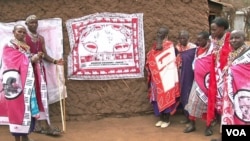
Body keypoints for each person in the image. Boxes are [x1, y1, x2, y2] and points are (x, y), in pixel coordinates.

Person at [24, 14, 64, 136]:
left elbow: (44, 54)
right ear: (27, 24)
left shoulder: (40, 38)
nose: (34, 25)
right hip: (29, 70)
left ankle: (44, 123)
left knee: (42, 94)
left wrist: (55, 61)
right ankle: (34, 123)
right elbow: (21, 55)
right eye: (31, 23)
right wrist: (33, 58)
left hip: (39, 70)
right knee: (31, 95)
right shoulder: (24, 37)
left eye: (36, 22)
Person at [2, 24, 42, 141]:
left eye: (24, 32)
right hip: (15, 83)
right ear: (13, 32)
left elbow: (26, 60)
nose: (22, 34)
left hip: (27, 81)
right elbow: (11, 62)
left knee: (27, 107)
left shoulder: (26, 47)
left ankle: (25, 136)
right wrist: (31, 59)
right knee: (16, 109)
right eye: (19, 31)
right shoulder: (9, 46)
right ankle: (17, 139)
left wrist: (35, 58)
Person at [146, 26, 180, 128]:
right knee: (156, 98)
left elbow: (173, 61)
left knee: (166, 97)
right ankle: (161, 118)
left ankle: (167, 119)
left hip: (167, 78)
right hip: (156, 78)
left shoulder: (170, 47)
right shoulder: (154, 47)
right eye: (158, 33)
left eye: (161, 33)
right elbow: (150, 57)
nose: (158, 35)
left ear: (166, 35)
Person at [183, 31, 214, 136]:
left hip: (208, 83)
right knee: (192, 102)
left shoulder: (213, 51)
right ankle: (192, 124)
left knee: (207, 104)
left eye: (200, 40)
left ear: (207, 40)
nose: (197, 42)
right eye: (197, 39)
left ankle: (208, 126)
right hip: (197, 81)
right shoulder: (197, 50)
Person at [175, 30, 196, 124]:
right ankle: (186, 116)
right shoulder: (177, 48)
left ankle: (191, 118)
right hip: (179, 74)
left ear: (189, 38)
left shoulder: (193, 48)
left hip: (190, 75)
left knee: (188, 95)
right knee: (182, 95)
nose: (182, 40)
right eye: (180, 38)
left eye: (184, 38)